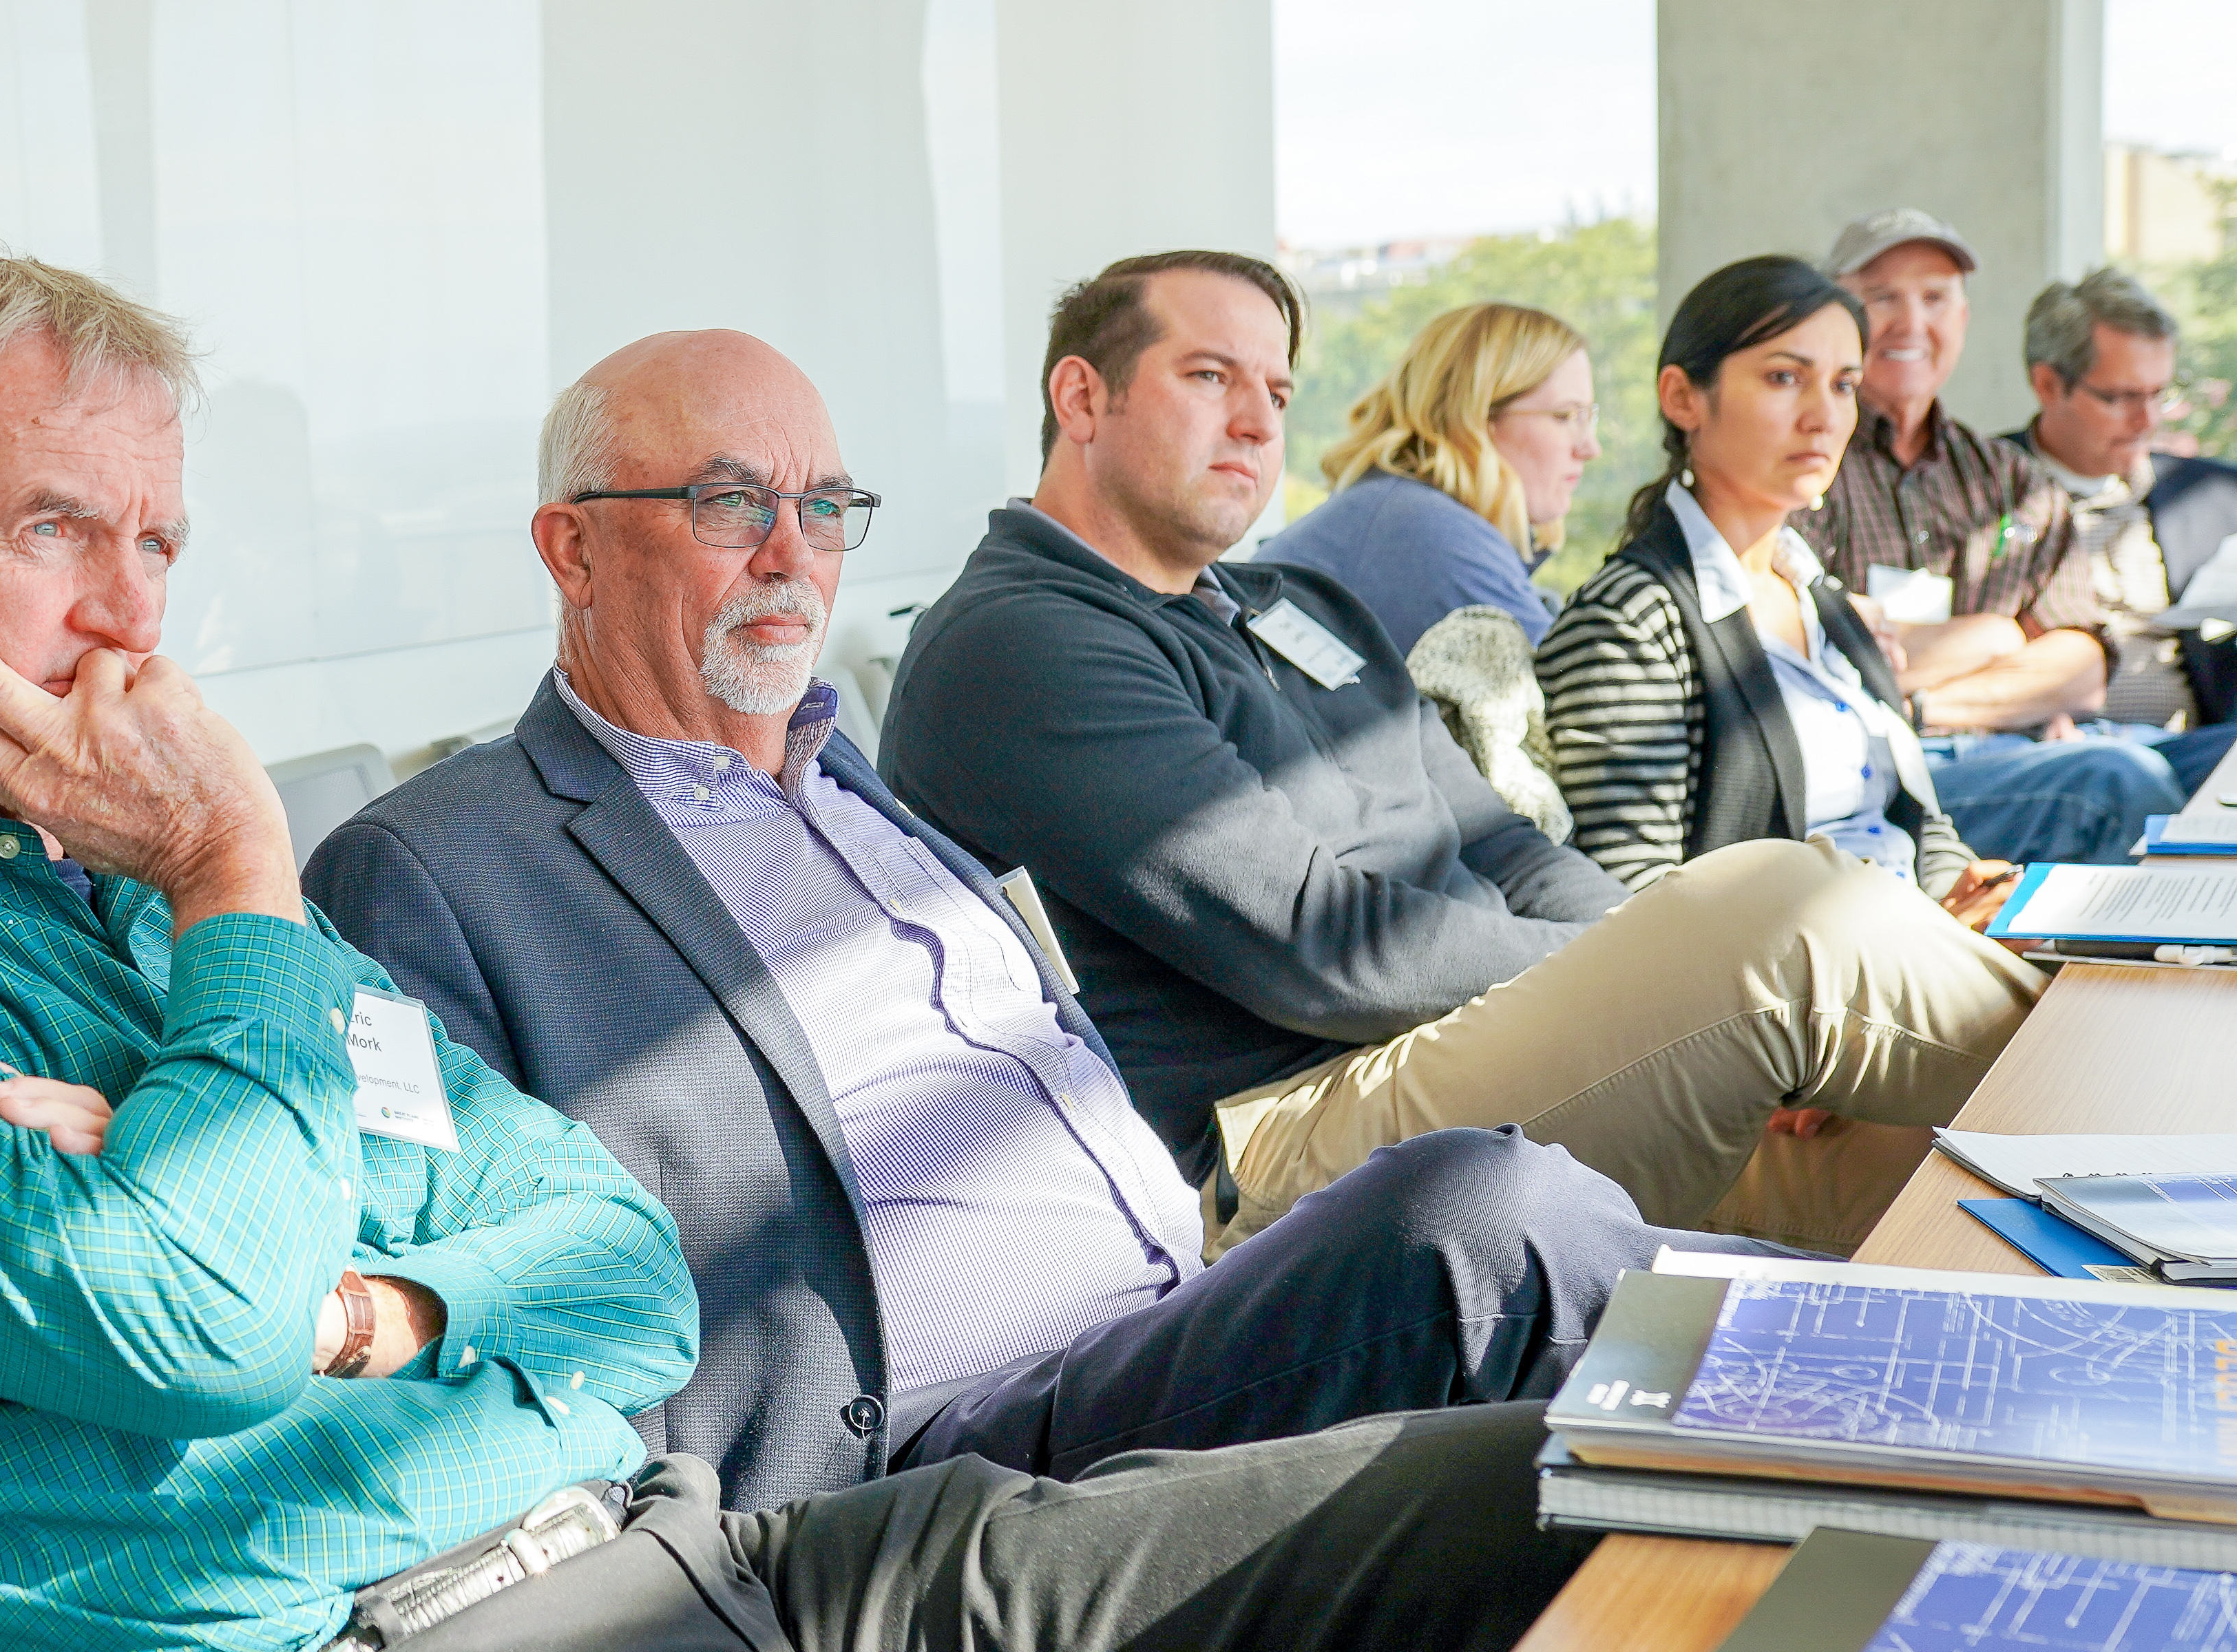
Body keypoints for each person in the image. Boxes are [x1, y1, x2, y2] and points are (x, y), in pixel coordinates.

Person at [0, 248, 1596, 1652]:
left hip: (721, 1573)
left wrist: (357, 1297)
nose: (137, 622)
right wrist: (232, 884)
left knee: (1551, 1505)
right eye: (63, 532)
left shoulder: (161, 928)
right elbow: (183, 1316)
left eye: (162, 545)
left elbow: (622, 1267)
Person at [304, 324, 1789, 1520]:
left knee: (1568, 1449)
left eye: (822, 507)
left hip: (1166, 1305)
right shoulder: (432, 866)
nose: (790, 553)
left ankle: (1922, 1434)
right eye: (725, 503)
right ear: (569, 551)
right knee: (1478, 1220)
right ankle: (1920, 1408)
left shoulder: (842, 783)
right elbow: (466, 1290)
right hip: (922, 1470)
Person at [878, 249, 2048, 1259]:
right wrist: (1646, 966)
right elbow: (1324, 949)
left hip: (1463, 1061)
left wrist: (1644, 979)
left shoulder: (1303, 605)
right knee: (1793, 910)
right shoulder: (1019, 641)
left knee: (1914, 1165)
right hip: (1278, 1135)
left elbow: (1503, 842)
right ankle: (2146, 1089)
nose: (1254, 421)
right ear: (1082, 397)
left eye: (1276, 390)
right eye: (1208, 377)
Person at [1539, 256, 2010, 914]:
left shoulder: (1820, 597)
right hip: (1795, 985)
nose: (1823, 416)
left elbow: (1919, 826)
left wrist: (1961, 891)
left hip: (1910, 946)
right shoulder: (1627, 622)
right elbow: (1632, 898)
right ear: (1682, 398)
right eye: (1784, 378)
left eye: (1844, 385)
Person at [1787, 209, 2185, 862]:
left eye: (1935, 298)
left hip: (2020, 749)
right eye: (1883, 296)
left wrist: (1921, 693)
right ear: (1836, 318)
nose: (1912, 323)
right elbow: (1823, 652)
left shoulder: (2007, 478)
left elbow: (2082, 664)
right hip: (1879, 768)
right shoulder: (1803, 464)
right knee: (2116, 784)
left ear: (1962, 321)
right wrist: (2000, 641)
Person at [2002, 266, 2237, 784]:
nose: (2147, 420)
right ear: (2047, 384)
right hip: (2047, 755)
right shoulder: (1978, 489)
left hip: (2194, 745)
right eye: (2121, 397)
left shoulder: (2216, 498)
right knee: (2120, 775)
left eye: (2159, 394)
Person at [1259, 301, 1599, 653]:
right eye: (1564, 416)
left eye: (1589, 417)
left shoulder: (1394, 507)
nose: (1590, 448)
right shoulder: (1424, 528)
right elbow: (1578, 693)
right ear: (1476, 416)